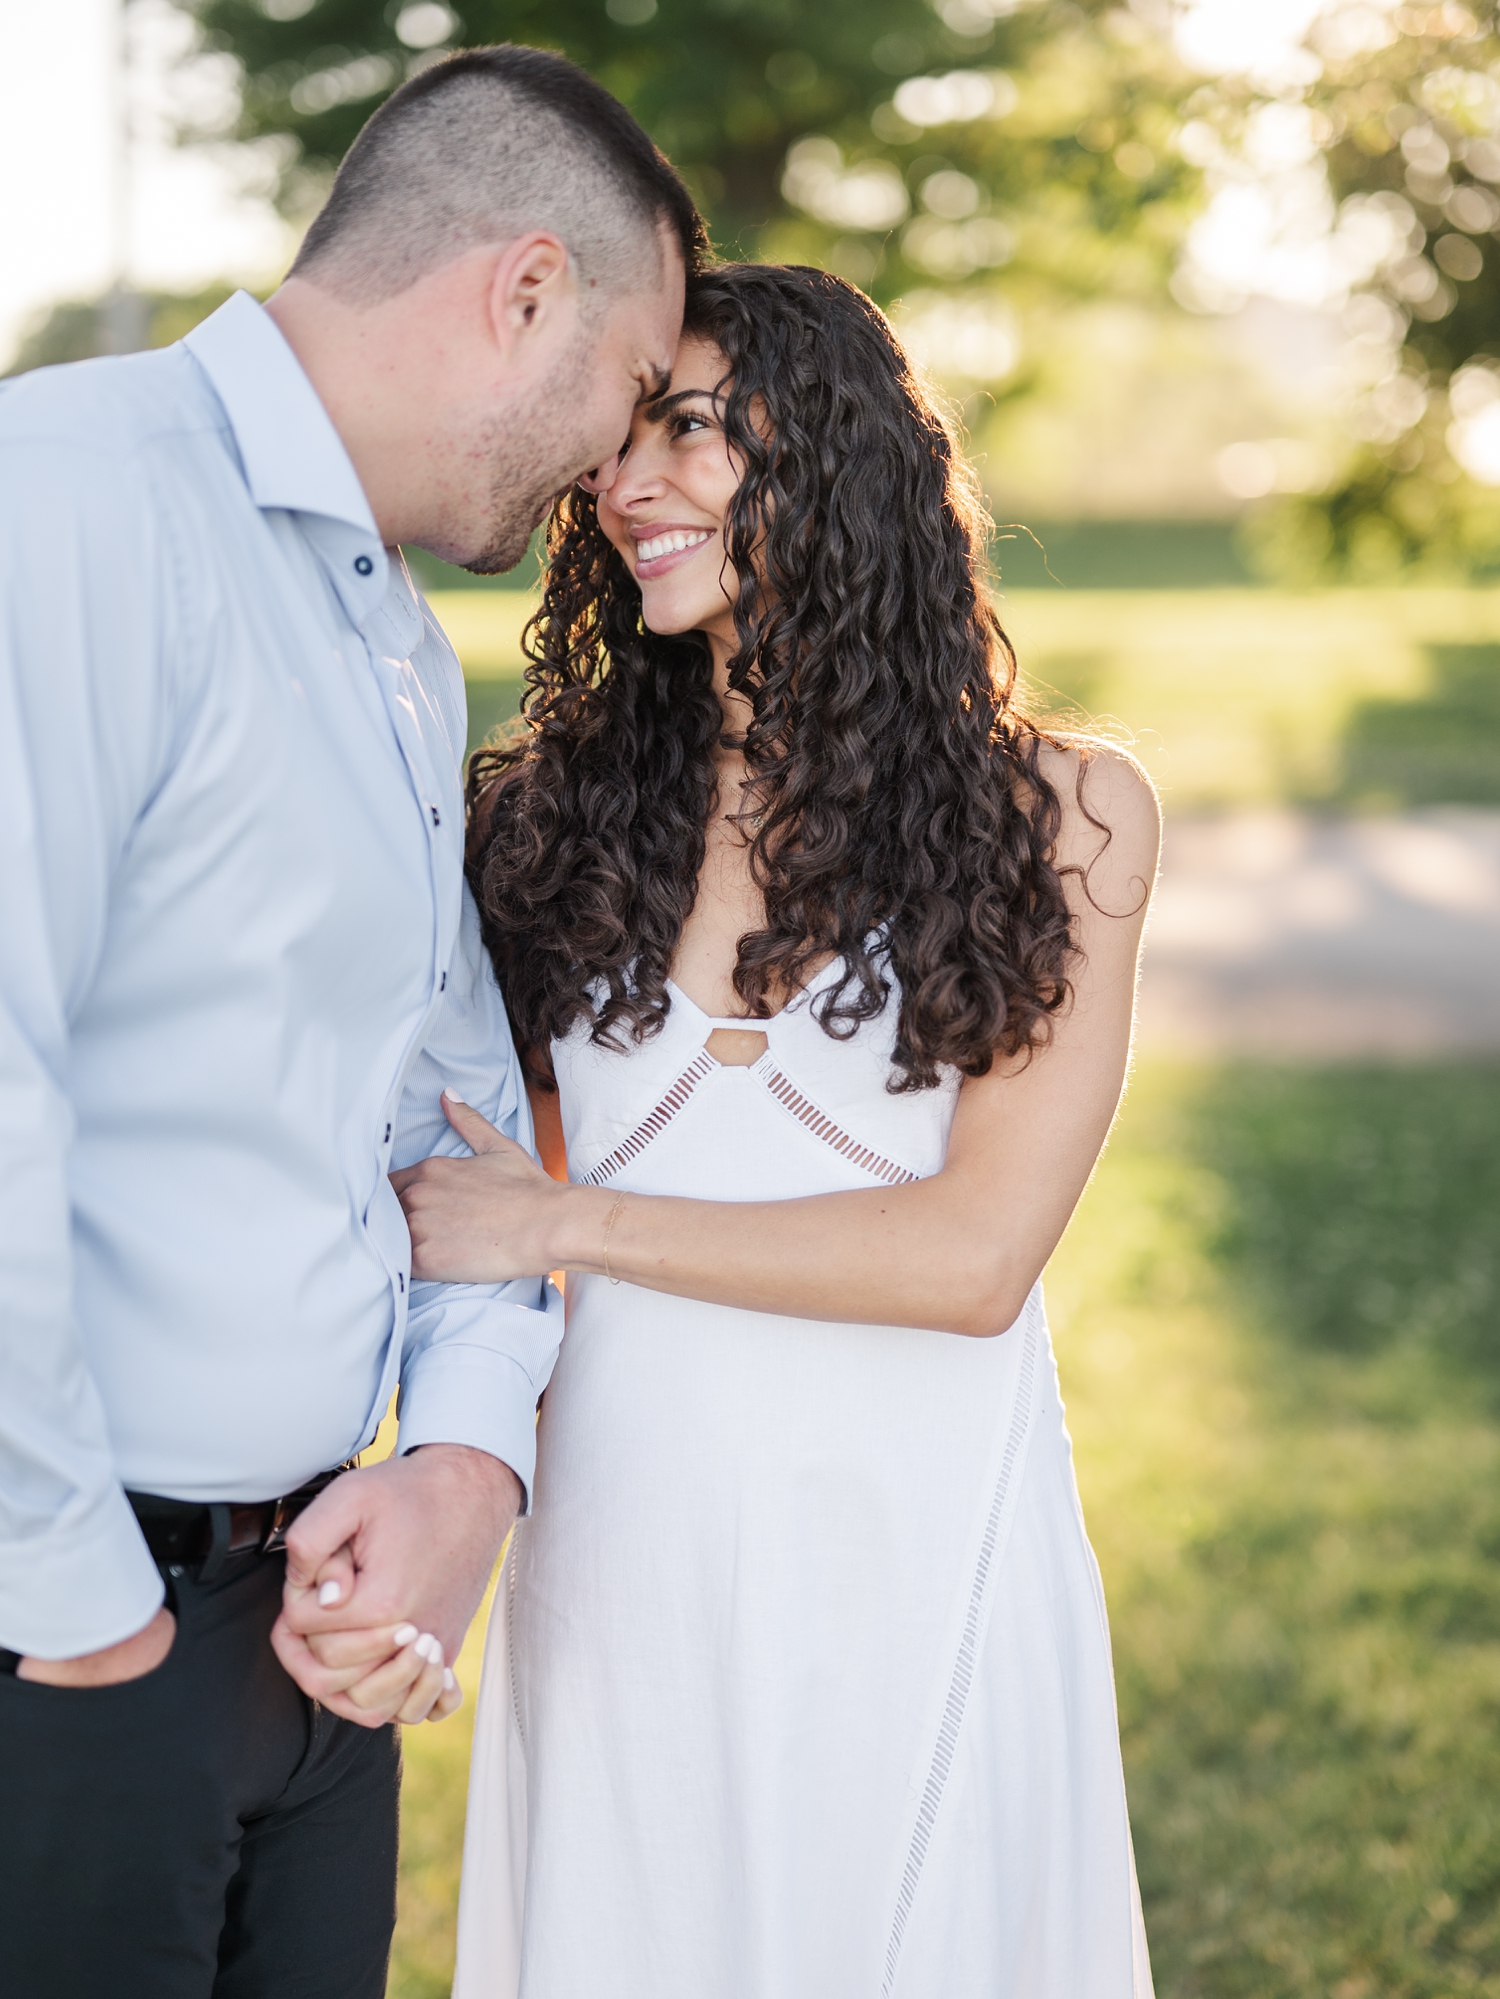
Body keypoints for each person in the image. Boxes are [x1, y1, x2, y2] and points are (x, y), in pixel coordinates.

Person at [0, 44, 699, 1999]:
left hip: (316, 1644)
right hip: (71, 1634)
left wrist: (464, 1462)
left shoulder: (392, 633)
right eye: (629, 398)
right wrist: (75, 1614)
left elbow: (456, 1113)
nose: (616, 472)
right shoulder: (63, 508)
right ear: (526, 289)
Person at [396, 263, 1161, 1997]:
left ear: (828, 453)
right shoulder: (543, 825)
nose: (627, 484)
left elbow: (974, 1260)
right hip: (626, 1540)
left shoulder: (1067, 818)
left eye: (686, 430)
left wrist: (574, 1226)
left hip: (916, 1528)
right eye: (615, 442)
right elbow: (467, 1197)